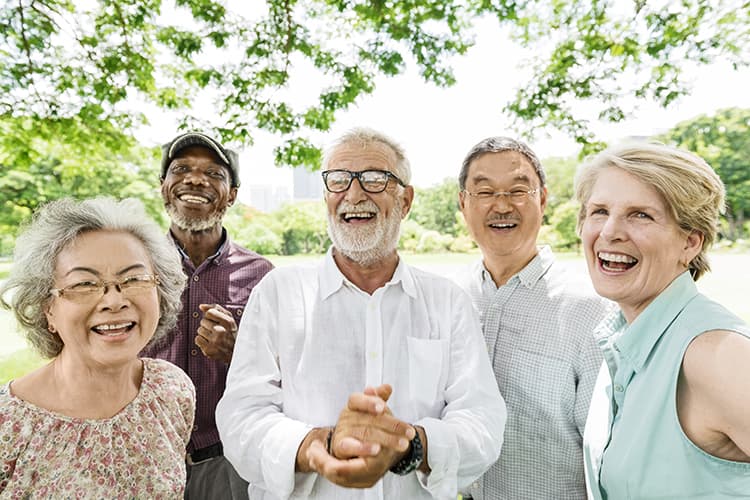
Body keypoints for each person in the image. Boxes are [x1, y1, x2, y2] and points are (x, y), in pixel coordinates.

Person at [215, 127, 506, 499]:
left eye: (375, 179)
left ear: (405, 200)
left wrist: (408, 444)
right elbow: (242, 418)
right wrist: (320, 446)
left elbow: (482, 423)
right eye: (338, 180)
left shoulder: (446, 301)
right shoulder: (278, 294)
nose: (354, 194)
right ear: (325, 196)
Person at [576, 143, 750, 498]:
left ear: (690, 243)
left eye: (641, 214)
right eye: (599, 211)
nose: (610, 231)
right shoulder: (621, 338)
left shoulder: (715, 354)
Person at [0, 197, 194, 497]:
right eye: (84, 284)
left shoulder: (171, 390)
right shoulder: (8, 424)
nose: (115, 301)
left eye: (133, 279)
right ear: (47, 309)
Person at [454, 136, 613, 500]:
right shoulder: (451, 298)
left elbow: (607, 453)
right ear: (463, 203)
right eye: (485, 192)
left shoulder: (590, 308)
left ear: (542, 198)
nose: (502, 205)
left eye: (517, 190)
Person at [141, 131, 274, 499]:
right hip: (144, 454)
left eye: (214, 173)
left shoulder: (263, 275)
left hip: (227, 461)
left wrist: (238, 350)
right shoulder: (132, 265)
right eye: (181, 169)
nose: (195, 179)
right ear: (163, 186)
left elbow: (287, 374)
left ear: (231, 194)